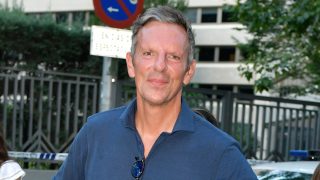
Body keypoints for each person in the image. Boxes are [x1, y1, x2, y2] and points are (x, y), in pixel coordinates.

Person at [53, 6, 257, 179]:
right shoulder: (95, 133)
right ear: (131, 64)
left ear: (189, 71)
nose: (159, 66)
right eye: (148, 53)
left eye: (173, 56)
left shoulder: (220, 153)